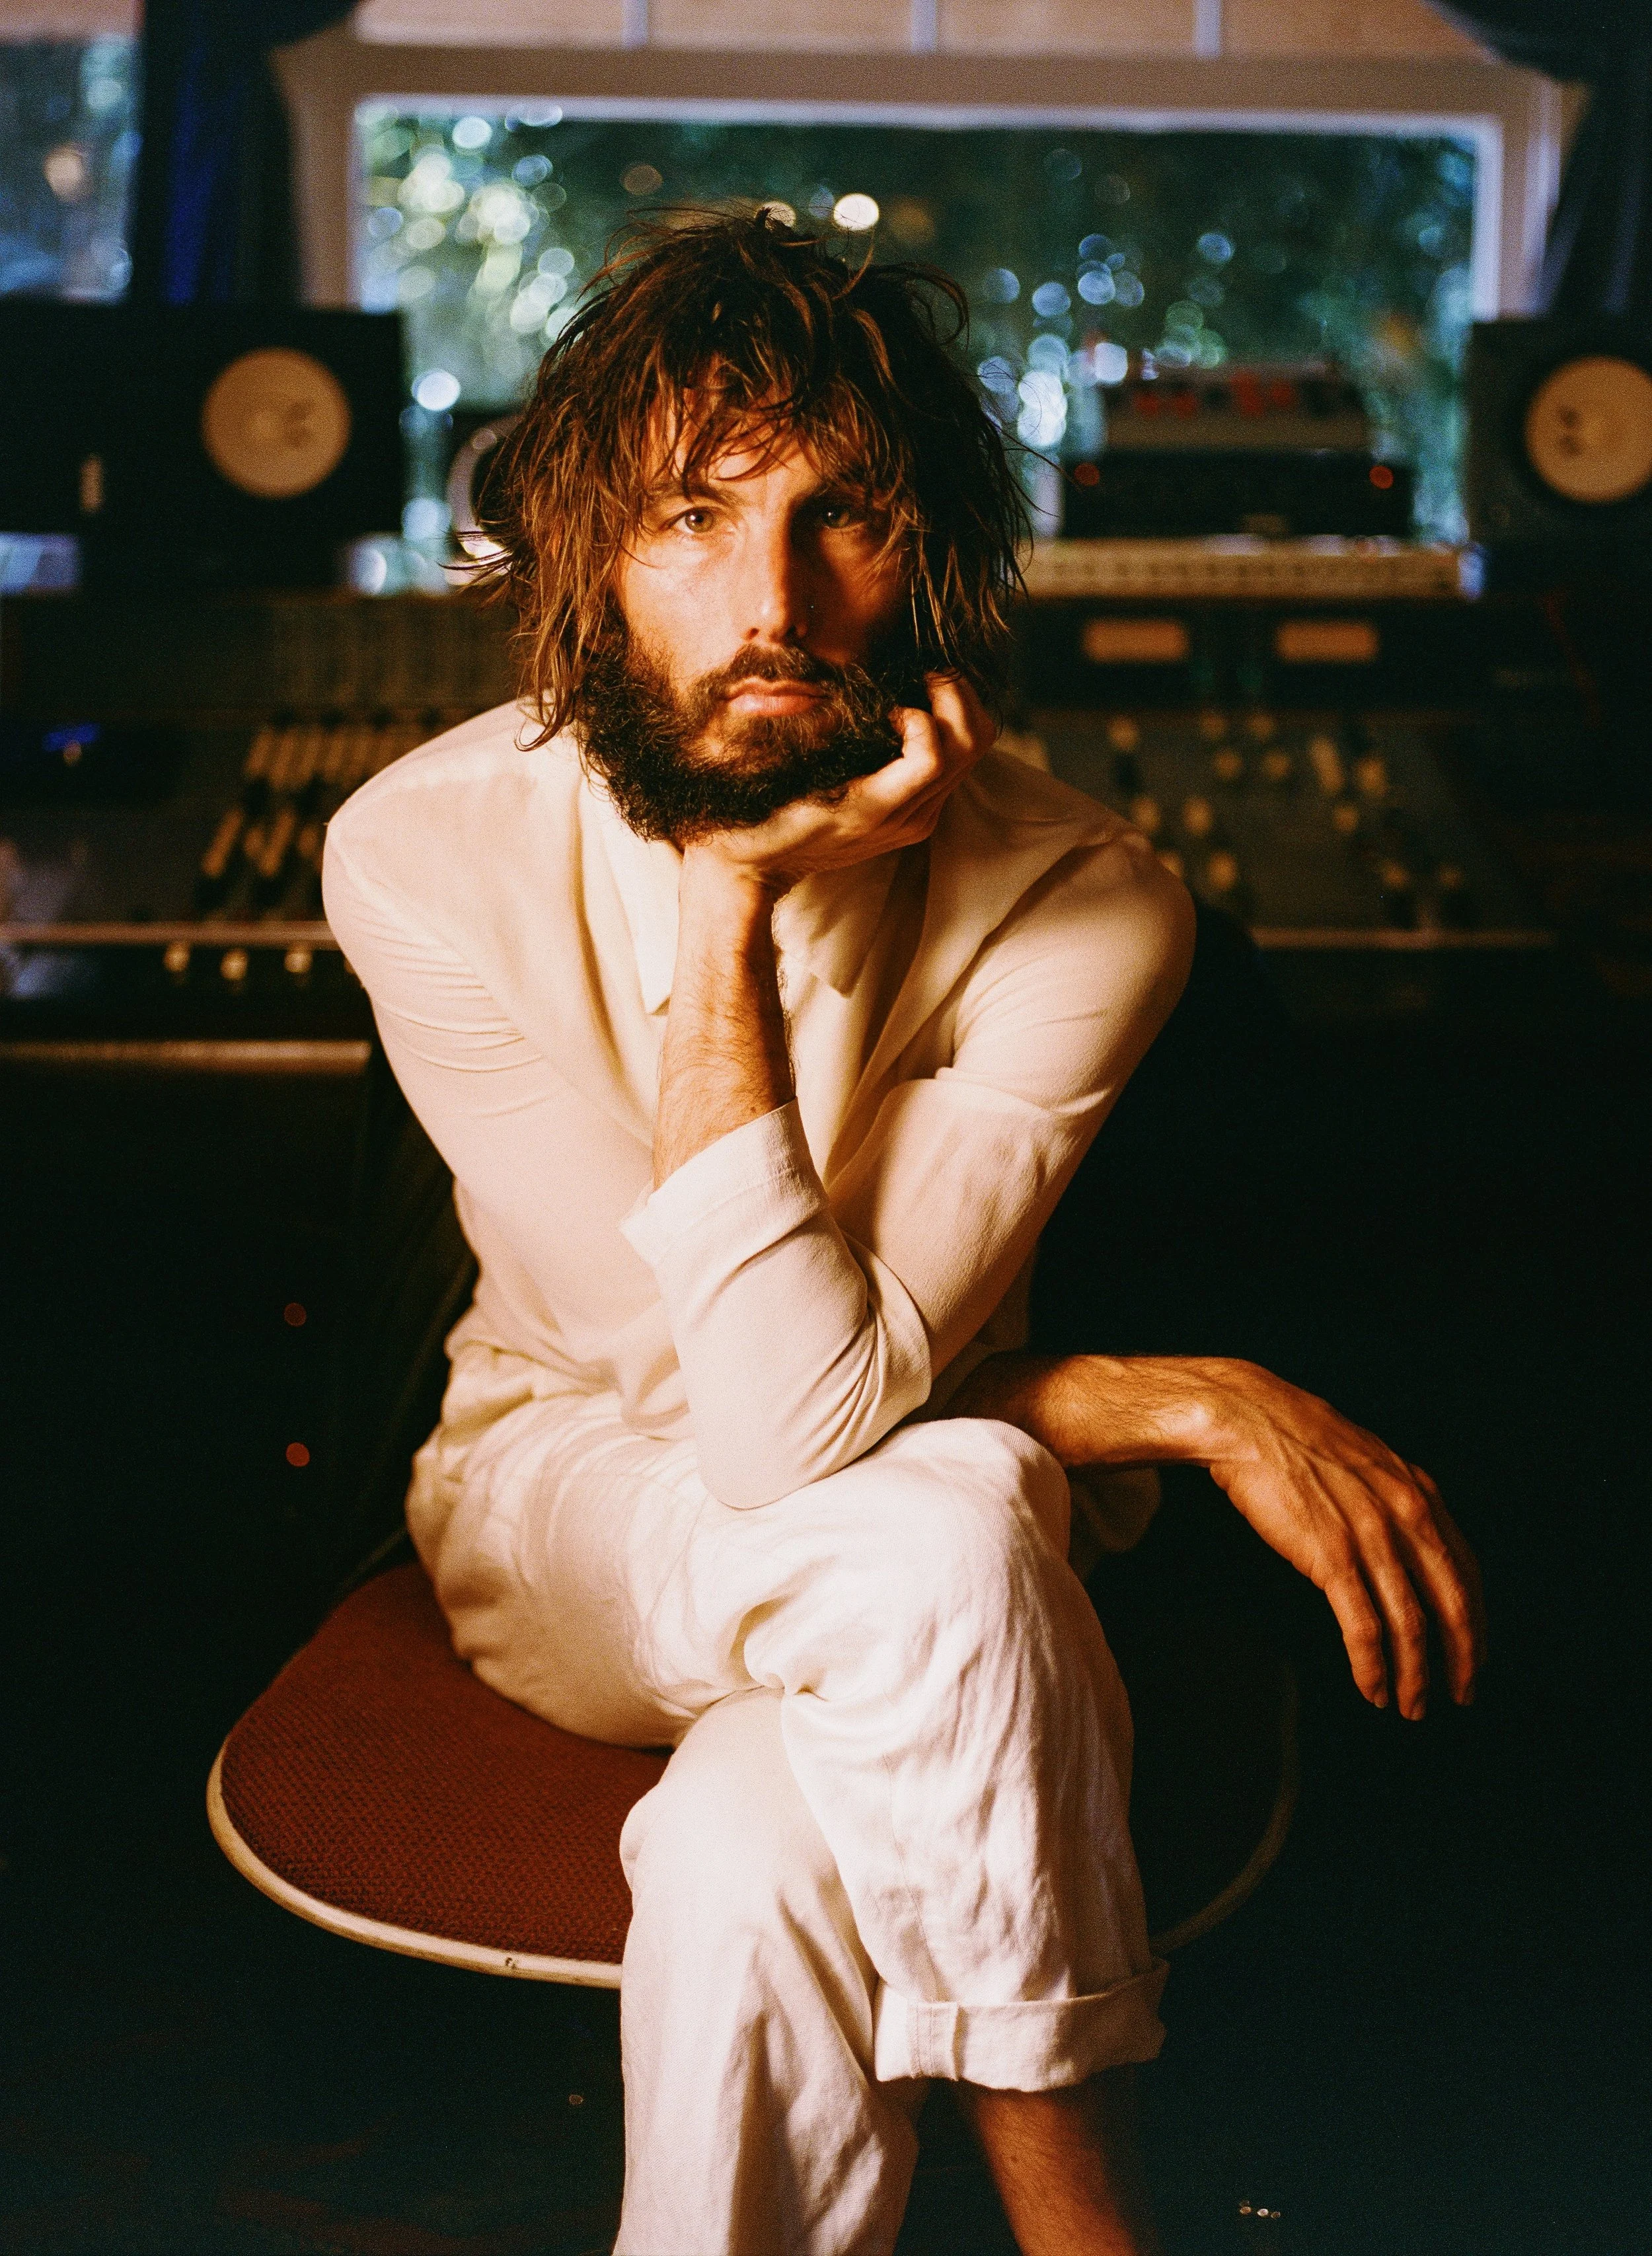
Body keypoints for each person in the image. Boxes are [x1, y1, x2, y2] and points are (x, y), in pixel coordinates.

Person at [322, 215, 1484, 2256]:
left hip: (898, 1556)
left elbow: (807, 1423)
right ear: (590, 558)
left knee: (749, 1851)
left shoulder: (1088, 896)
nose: (769, 600)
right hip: (569, 1502)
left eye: (839, 517)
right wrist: (724, 911)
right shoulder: (420, 847)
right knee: (947, 1509)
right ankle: (1088, 2219)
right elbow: (720, 1417)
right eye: (691, 517)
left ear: (927, 555)